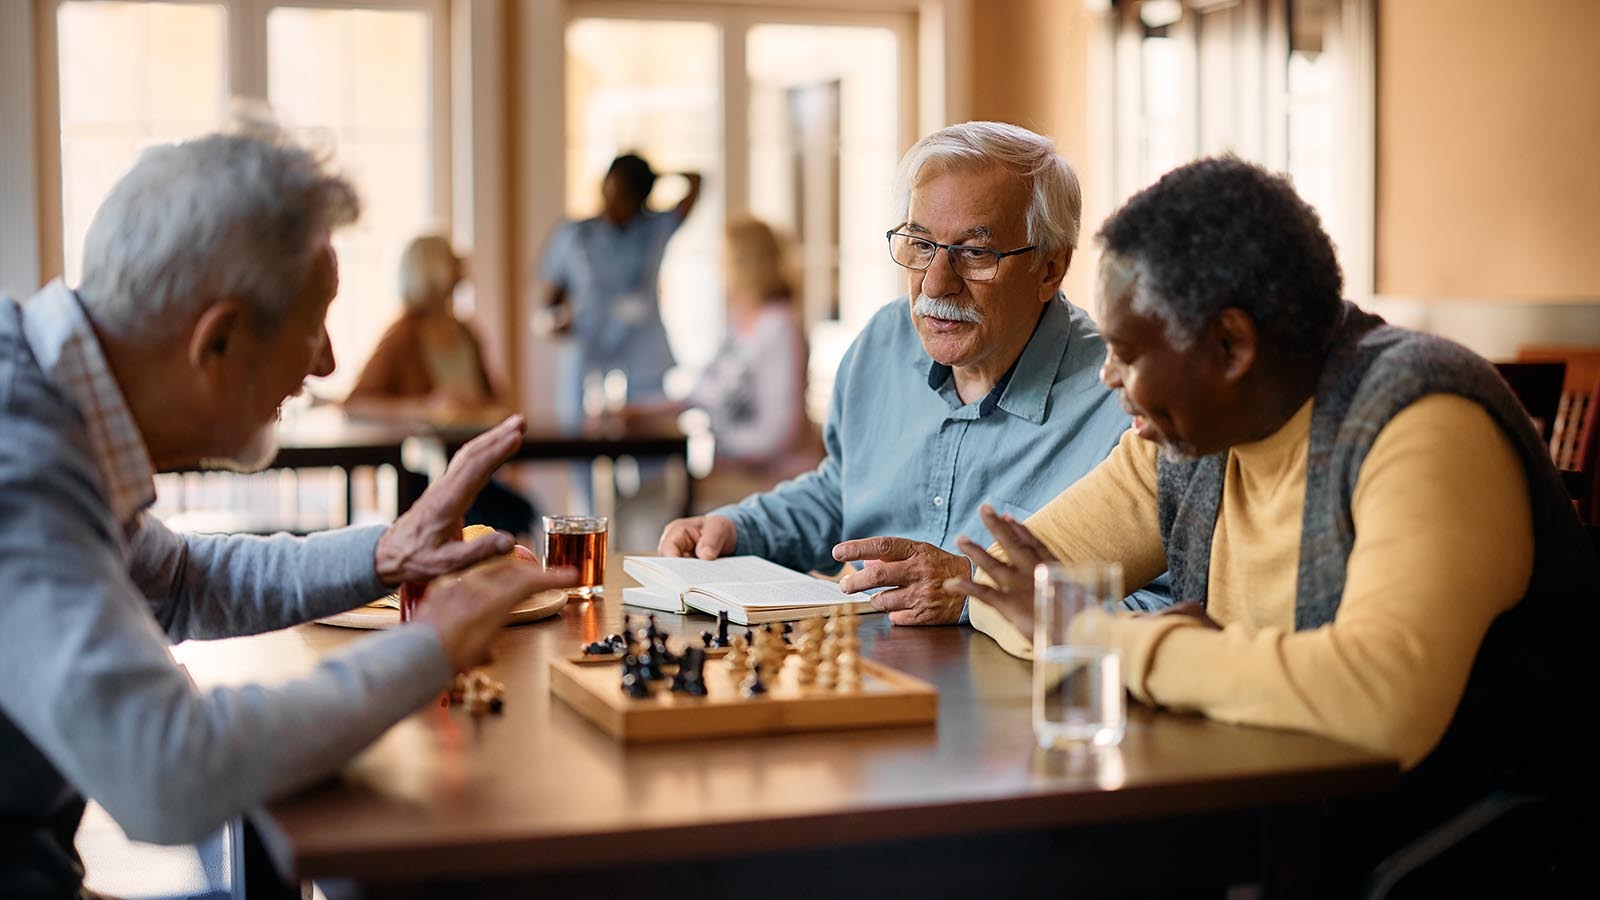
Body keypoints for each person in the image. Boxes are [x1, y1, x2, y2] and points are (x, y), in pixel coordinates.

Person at [953, 157, 1598, 893]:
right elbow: (1008, 590)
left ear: (1231, 346)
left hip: (1463, 853)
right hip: (1273, 823)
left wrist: (1101, 638)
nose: (1108, 378)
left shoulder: (1422, 420)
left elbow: (1379, 704)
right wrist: (1129, 641)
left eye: (1128, 355)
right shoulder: (1185, 437)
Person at [0, 126, 576, 897]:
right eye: (315, 323)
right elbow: (169, 772)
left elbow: (175, 582)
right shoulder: (20, 461)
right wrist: (431, 647)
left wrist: (389, 553)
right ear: (220, 341)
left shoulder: (45, 402)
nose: (328, 361)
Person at [658, 122, 1157, 626]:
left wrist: (973, 595)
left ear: (1050, 269)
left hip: (1011, 698)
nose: (936, 284)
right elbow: (843, 490)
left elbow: (1157, 606)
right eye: (920, 245)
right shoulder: (883, 341)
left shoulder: (1123, 404)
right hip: (863, 674)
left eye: (975, 253)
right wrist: (738, 528)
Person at [346, 233, 536, 536]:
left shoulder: (466, 331)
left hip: (472, 467)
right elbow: (356, 403)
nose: (462, 265)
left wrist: (475, 406)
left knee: (521, 511)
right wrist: (423, 407)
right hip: (425, 472)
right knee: (500, 515)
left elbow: (499, 400)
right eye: (451, 258)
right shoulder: (403, 334)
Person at [628, 217, 816, 499]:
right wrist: (641, 413)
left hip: (776, 479)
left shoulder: (780, 326)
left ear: (745, 263)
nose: (718, 268)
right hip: (735, 470)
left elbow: (781, 429)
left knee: (664, 501)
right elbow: (702, 393)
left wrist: (731, 459)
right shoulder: (737, 322)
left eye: (724, 258)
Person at [538, 153, 703, 428]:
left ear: (640, 200)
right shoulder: (575, 235)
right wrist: (554, 323)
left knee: (648, 444)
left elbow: (697, 181)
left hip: (642, 356)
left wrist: (656, 177)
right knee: (581, 442)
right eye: (610, 190)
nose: (613, 203)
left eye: (625, 196)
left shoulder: (654, 228)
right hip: (588, 351)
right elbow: (549, 300)